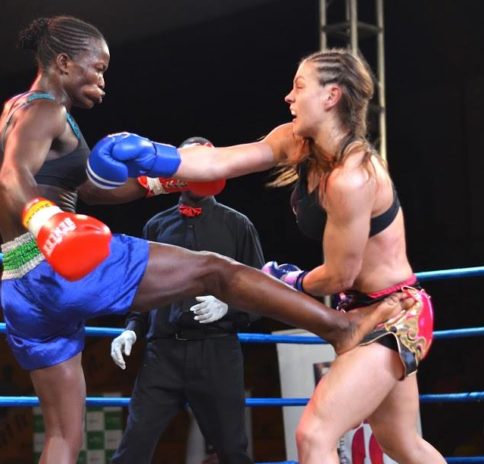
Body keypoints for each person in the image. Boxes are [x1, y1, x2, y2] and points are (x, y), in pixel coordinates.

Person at [0, 18, 406, 464]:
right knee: (215, 270)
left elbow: (91, 191)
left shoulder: (16, 109)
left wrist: (160, 180)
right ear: (63, 63)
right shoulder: (48, 111)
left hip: (19, 283)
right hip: (56, 262)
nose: (102, 81)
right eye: (96, 68)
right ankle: (342, 330)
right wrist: (49, 224)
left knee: (62, 435)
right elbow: (11, 177)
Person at [89, 48, 444, 463]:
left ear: (331, 96)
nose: (288, 97)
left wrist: (286, 279)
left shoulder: (353, 178)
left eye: (299, 86)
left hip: (393, 316)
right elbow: (221, 161)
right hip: (361, 310)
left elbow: (340, 277)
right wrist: (154, 155)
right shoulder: (296, 143)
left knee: (314, 435)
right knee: (401, 442)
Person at [110, 137, 263, 464]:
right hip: (162, 354)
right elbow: (143, 288)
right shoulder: (156, 226)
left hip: (216, 351)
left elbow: (262, 293)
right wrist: (131, 328)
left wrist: (229, 307)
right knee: (131, 450)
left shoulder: (238, 225)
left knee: (232, 452)